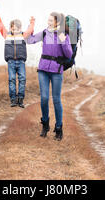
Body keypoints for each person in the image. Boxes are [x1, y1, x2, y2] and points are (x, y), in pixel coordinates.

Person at [26, 12, 73, 141]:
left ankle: (58, 128)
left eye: (51, 20)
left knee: (56, 100)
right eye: (48, 20)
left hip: (57, 71)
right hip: (43, 70)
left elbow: (69, 54)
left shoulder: (63, 35)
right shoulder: (45, 33)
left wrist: (64, 41)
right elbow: (29, 40)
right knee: (44, 98)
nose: (48, 22)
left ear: (58, 22)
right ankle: (45, 124)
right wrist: (31, 26)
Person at [0, 6, 35, 108]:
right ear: (10, 27)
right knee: (11, 79)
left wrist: (32, 22)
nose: (14, 29)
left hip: (21, 62)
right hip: (11, 61)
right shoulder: (6, 35)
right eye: (13, 28)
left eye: (17, 28)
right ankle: (13, 99)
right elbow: (0, 25)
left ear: (20, 28)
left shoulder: (23, 35)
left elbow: (30, 30)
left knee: (22, 79)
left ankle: (20, 99)